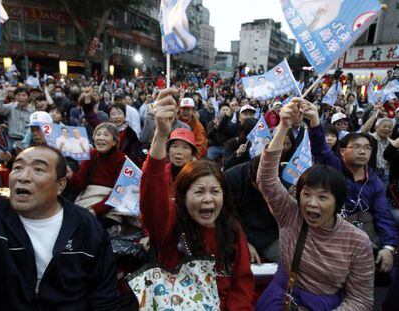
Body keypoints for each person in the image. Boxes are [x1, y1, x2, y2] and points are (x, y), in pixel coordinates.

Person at [140, 88, 254, 310]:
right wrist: (161, 135)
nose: (208, 200)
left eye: (215, 191)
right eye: (199, 191)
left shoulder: (232, 229)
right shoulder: (171, 224)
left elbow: (242, 282)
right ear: (182, 195)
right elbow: (152, 199)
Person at [256, 100, 374, 310]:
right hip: (281, 298)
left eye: (322, 197)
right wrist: (283, 126)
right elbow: (266, 179)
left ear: (338, 202)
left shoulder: (357, 242)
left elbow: (360, 300)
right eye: (307, 194)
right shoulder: (290, 214)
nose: (312, 203)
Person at [0, 145, 123, 309]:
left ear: (60, 185)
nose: (23, 177)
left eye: (38, 170)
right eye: (17, 168)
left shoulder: (87, 227)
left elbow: (105, 298)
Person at [305, 101, 398, 273]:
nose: (363, 152)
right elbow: (320, 149)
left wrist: (389, 246)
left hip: (363, 236)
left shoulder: (374, 181)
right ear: (342, 151)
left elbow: (383, 215)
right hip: (330, 233)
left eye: (367, 148)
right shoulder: (334, 167)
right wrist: (315, 121)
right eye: (356, 147)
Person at [224, 156, 279, 263]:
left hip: (270, 236)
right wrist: (242, 242)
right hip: (237, 233)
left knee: (290, 262)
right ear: (253, 180)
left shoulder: (285, 180)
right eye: (262, 187)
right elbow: (226, 217)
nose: (266, 191)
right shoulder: (231, 178)